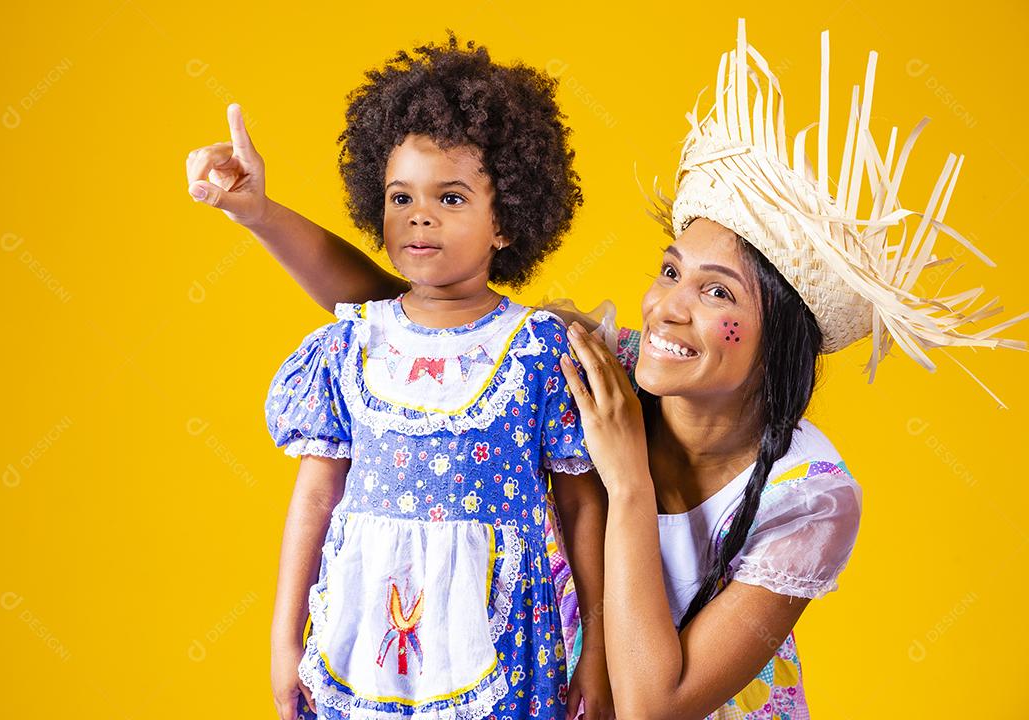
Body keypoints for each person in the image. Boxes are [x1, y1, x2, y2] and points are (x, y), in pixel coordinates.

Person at [187, 21, 1025, 719]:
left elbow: (653, 704)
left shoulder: (810, 494)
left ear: (780, 336)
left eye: (715, 290)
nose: (666, 307)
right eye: (669, 270)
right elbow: (412, 310)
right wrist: (260, 215)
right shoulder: (602, 369)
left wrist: (625, 479)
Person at [187, 37, 614, 720]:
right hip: (363, 635)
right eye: (400, 195)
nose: (419, 214)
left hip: (505, 640)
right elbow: (313, 497)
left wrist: (594, 645)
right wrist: (281, 635)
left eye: (450, 197)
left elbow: (583, 504)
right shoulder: (347, 344)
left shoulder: (539, 351)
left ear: (506, 221)